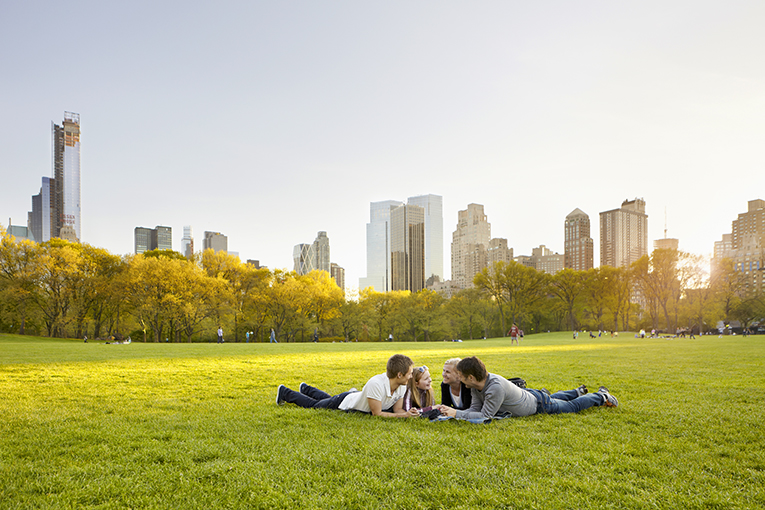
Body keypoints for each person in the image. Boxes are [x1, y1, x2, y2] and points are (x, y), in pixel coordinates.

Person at [437, 356, 618, 421]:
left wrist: (456, 413)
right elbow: (475, 410)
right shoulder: (474, 386)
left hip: (538, 404)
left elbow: (485, 416)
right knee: (557, 398)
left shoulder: (494, 388)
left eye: (460, 376)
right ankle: (576, 392)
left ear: (470, 377)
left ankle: (601, 396)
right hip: (529, 396)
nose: (458, 379)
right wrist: (456, 413)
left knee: (572, 407)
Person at [276, 354, 419, 418]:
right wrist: (404, 416)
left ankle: (306, 389)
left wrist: (410, 414)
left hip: (355, 396)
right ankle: (285, 392)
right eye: (410, 373)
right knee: (314, 405)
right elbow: (377, 414)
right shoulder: (376, 384)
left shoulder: (402, 385)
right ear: (399, 374)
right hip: (347, 401)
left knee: (326, 399)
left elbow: (397, 409)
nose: (411, 376)